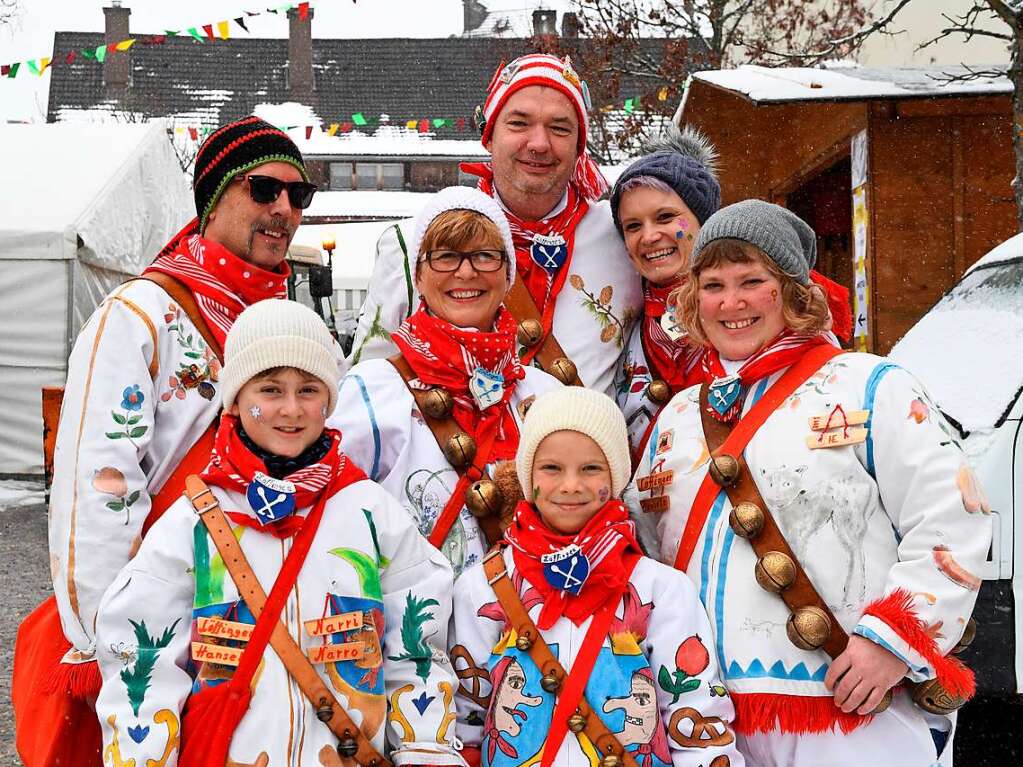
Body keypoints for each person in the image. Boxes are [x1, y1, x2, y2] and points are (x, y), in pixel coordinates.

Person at [630, 200, 991, 765]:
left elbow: (954, 514)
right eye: (714, 284)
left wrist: (893, 642)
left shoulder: (870, 385)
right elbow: (646, 559)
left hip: (846, 712)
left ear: (795, 292)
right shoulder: (674, 419)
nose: (732, 302)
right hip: (702, 721)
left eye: (753, 281)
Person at [13, 116, 317, 766]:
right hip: (162, 630)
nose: (284, 210)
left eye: (299, 196)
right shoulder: (138, 316)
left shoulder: (284, 322)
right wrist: (112, 647)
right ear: (212, 200)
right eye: (264, 189)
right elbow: (98, 489)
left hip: (262, 628)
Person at [94, 299, 464, 766]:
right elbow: (141, 663)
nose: (291, 410)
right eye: (270, 389)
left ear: (329, 400)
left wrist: (425, 751)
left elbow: (419, 651)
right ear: (236, 396)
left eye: (309, 389)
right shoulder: (192, 523)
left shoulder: (371, 513)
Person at [450, 387, 741, 767]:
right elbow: (465, 718)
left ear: (615, 476)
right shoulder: (485, 588)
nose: (571, 485)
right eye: (551, 468)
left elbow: (695, 712)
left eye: (591, 469)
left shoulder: (660, 590)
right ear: (527, 475)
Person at [348, 53, 642, 396]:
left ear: (579, 146)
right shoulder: (413, 240)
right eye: (519, 123)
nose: (539, 144)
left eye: (560, 128)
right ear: (488, 136)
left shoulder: (624, 236)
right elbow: (366, 388)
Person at [331, 186, 561, 577]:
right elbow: (329, 524)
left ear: (508, 276)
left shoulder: (545, 395)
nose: (466, 271)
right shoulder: (372, 391)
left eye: (485, 256)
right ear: (418, 276)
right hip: (417, 632)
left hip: (527, 631)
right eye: (446, 256)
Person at [608, 126, 721, 462]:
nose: (649, 236)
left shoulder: (754, 312)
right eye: (633, 226)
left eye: (666, 217)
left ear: (703, 220)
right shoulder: (621, 323)